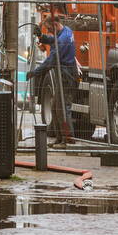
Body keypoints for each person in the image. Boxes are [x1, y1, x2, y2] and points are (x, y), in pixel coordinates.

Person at [27, 11, 77, 140]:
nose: (49, 31)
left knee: (62, 108)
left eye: (49, 28)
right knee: (55, 107)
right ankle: (60, 138)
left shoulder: (62, 41)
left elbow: (50, 62)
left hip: (65, 76)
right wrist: (41, 36)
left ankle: (68, 138)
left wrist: (34, 73)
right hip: (67, 73)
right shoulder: (66, 31)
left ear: (55, 24)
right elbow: (53, 39)